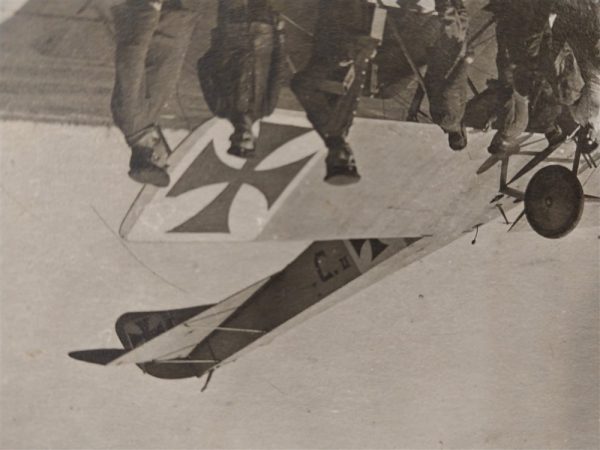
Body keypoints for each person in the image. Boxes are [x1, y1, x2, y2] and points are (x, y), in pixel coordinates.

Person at [111, 0, 200, 187]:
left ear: (154, 156)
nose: (167, 157)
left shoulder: (131, 118)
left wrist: (149, 13)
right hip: (171, 21)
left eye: (164, 163)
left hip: (159, 19)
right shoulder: (144, 123)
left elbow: (131, 61)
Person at [290, 0, 380, 184]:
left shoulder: (326, 124)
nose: (348, 156)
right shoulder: (340, 132)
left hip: (338, 36)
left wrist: (337, 62)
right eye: (353, 162)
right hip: (354, 41)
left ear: (329, 160)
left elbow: (300, 85)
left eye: (342, 161)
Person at [197, 0, 285, 158]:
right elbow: (277, 72)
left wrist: (222, 46)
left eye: (238, 139)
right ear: (254, 136)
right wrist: (279, 36)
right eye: (246, 138)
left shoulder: (220, 108)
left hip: (232, 31)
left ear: (232, 137)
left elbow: (204, 69)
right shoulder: (266, 108)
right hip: (262, 33)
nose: (242, 134)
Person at [424, 0, 470, 151]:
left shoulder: (452, 118)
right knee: (461, 20)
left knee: (451, 22)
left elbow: (451, 89)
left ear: (462, 135)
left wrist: (466, 63)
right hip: (440, 67)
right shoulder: (441, 121)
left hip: (450, 64)